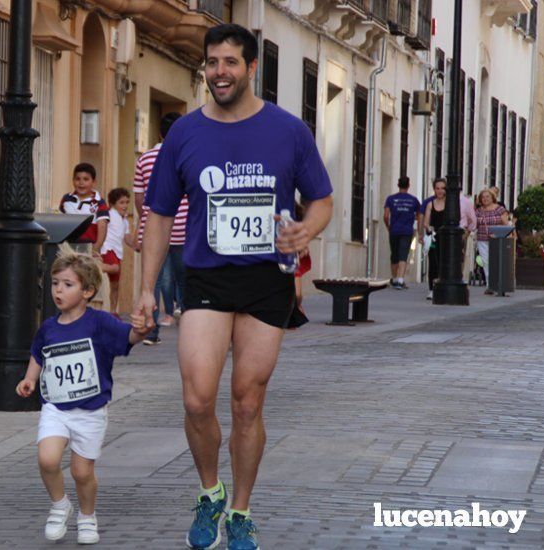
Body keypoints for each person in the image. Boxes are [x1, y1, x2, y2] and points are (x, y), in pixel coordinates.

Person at [134, 24, 333, 550]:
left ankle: (241, 511)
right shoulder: (184, 134)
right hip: (205, 278)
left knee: (247, 402)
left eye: (229, 62)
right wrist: (146, 288)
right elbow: (157, 214)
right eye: (212, 62)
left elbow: (322, 200)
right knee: (198, 398)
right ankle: (210, 492)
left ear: (250, 68)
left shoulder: (289, 131)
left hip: (267, 282)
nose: (219, 71)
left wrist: (305, 229)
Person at [16, 246, 147, 544]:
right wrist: (29, 379)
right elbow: (39, 354)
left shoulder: (99, 322)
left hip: (90, 411)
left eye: (67, 284)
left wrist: (140, 330)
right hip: (56, 408)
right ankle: (60, 505)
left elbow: (127, 337)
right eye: (55, 283)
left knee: (81, 471)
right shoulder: (48, 327)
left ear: (87, 291)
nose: (58, 290)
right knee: (47, 459)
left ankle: (87, 516)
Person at [133, 112, 185, 344]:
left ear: (160, 132)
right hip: (184, 230)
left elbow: (139, 197)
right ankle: (189, 326)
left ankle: (150, 331)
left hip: (153, 230)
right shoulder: (186, 155)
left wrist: (144, 220)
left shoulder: (144, 159)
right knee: (185, 281)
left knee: (152, 280)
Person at [99, 187, 136, 317]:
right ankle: (96, 266)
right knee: (114, 268)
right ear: (113, 204)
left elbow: (127, 238)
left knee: (115, 285)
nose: (125, 205)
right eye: (121, 202)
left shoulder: (125, 220)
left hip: (118, 252)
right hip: (107, 249)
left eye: (127, 202)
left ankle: (113, 311)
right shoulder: (109, 214)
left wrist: (136, 246)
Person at [59, 163, 109, 254]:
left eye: (86, 179)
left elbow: (102, 225)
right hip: (68, 246)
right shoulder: (66, 199)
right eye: (78, 179)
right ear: (73, 180)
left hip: (89, 246)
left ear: (94, 182)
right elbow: (61, 221)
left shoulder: (99, 202)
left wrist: (97, 246)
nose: (81, 183)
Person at [383, 177, 421, 289]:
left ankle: (394, 278)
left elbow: (385, 216)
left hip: (394, 230)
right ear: (408, 185)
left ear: (398, 185)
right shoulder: (413, 200)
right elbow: (419, 216)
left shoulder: (390, 199)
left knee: (394, 255)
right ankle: (400, 280)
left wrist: (388, 226)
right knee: (403, 255)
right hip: (407, 231)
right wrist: (419, 231)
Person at [475, 187, 509, 294]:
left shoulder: (500, 209)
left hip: (497, 239)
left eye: (487, 196)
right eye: (483, 197)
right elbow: (474, 224)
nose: (485, 199)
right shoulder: (478, 211)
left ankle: (499, 284)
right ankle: (490, 285)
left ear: (492, 197)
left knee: (496, 262)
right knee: (486, 262)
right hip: (482, 238)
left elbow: (506, 224)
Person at [423, 178, 447, 300]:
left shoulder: (450, 204)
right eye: (437, 188)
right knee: (433, 262)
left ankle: (443, 286)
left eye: (442, 188)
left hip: (446, 237)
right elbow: (426, 222)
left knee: (445, 262)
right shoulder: (430, 204)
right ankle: (432, 289)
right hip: (434, 237)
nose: (440, 191)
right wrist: (429, 228)